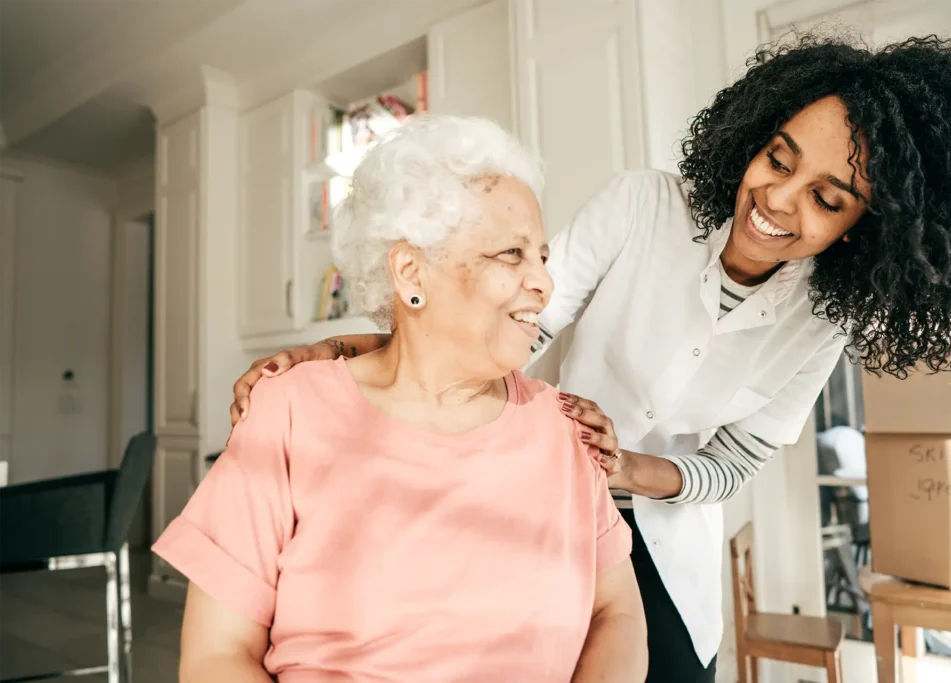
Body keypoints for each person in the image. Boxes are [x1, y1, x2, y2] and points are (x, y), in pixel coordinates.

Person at [228, 35, 951, 681]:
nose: (779, 200)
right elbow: (521, 319)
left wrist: (633, 468)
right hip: (541, 505)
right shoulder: (645, 207)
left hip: (669, 543)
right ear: (754, 138)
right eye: (779, 159)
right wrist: (366, 351)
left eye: (827, 197)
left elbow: (739, 458)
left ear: (864, 227)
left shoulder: (821, 321)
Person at [154, 116, 647, 682]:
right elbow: (218, 655)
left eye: (541, 255)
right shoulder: (287, 411)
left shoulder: (565, 427)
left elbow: (618, 613)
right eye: (512, 254)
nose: (545, 282)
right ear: (412, 271)